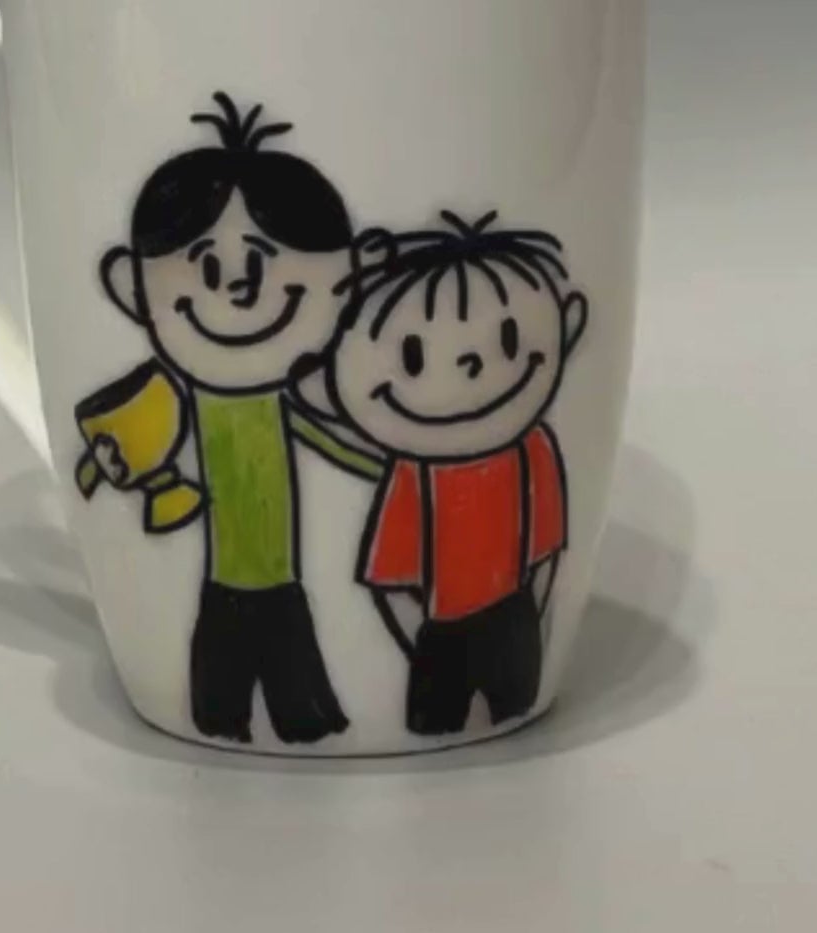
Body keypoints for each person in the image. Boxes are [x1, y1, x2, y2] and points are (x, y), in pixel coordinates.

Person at [89, 94, 384, 744]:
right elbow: (135, 444)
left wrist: (392, 468)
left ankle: (279, 725)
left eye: (266, 268)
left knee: (289, 701)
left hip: (278, 583)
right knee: (225, 693)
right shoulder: (176, 402)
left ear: (349, 281)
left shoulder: (277, 403)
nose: (240, 292)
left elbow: (328, 441)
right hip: (229, 582)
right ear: (130, 288)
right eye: (207, 270)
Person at [326, 212, 588, 736]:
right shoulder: (415, 476)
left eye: (508, 340)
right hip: (446, 627)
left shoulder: (531, 450)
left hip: (511, 614)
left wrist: (534, 616)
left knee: (507, 700)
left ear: (569, 322)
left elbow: (549, 548)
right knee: (436, 719)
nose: (470, 365)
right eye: (413, 358)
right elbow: (390, 577)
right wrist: (422, 645)